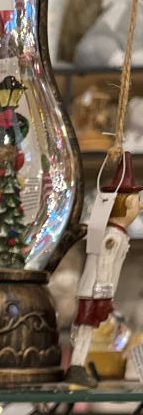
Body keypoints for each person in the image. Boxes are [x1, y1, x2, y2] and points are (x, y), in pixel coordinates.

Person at [69, 154, 142, 386]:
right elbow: (104, 264)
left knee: (88, 330)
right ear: (127, 204)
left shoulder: (116, 233)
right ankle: (76, 366)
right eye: (136, 201)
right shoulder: (112, 235)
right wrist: (103, 294)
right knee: (86, 330)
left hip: (97, 290)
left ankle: (78, 365)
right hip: (94, 290)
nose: (139, 206)